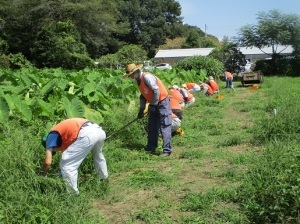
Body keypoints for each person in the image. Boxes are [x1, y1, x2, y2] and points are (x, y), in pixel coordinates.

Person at [42, 118, 108, 194]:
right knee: (98, 156)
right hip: (97, 130)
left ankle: (73, 195)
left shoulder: (50, 138)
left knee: (68, 165)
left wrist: (43, 176)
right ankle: (104, 180)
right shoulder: (59, 134)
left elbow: (47, 162)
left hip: (86, 134)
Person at [123, 63, 172, 157]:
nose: (131, 77)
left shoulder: (147, 77)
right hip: (153, 103)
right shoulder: (138, 80)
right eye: (130, 76)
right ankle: (151, 146)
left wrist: (153, 105)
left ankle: (167, 150)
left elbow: (156, 91)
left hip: (162, 102)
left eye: (131, 75)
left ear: (136, 72)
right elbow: (143, 96)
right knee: (152, 125)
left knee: (164, 125)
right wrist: (141, 110)